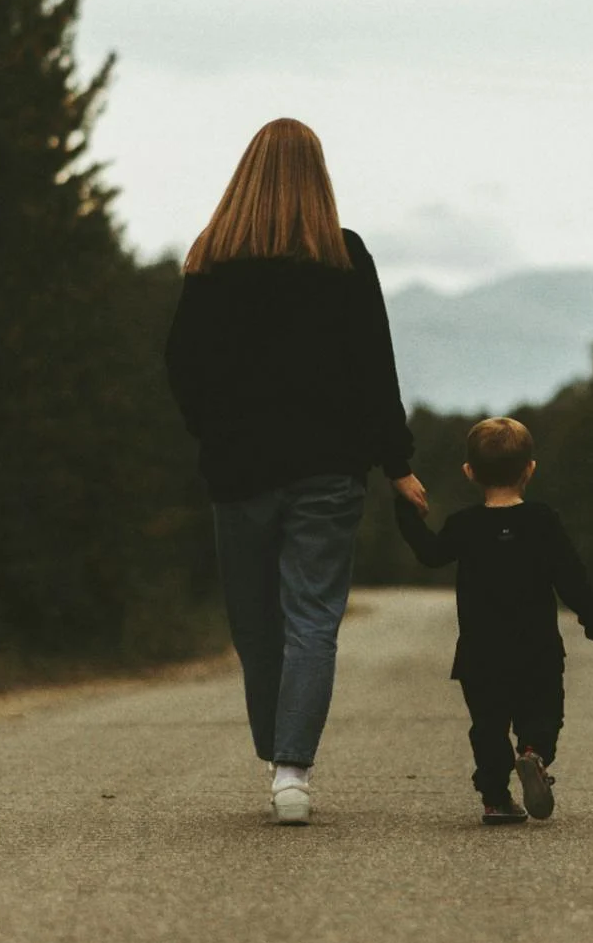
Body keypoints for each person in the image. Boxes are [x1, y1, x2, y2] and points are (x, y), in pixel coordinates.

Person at [165, 118, 427, 825]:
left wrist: (213, 433)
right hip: (329, 471)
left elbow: (181, 367)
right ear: (318, 177)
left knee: (255, 624)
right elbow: (376, 367)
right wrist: (395, 465)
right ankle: (290, 770)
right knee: (311, 619)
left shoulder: (211, 260)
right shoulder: (343, 259)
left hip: (239, 471)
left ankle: (280, 758)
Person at [394, 416, 593, 825]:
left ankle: (496, 798)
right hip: (538, 648)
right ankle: (533, 753)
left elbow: (430, 554)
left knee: (489, 726)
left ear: (469, 472)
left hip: (481, 652)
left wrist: (407, 511)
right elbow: (570, 574)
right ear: (530, 468)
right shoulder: (543, 521)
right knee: (545, 711)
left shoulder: (464, 525)